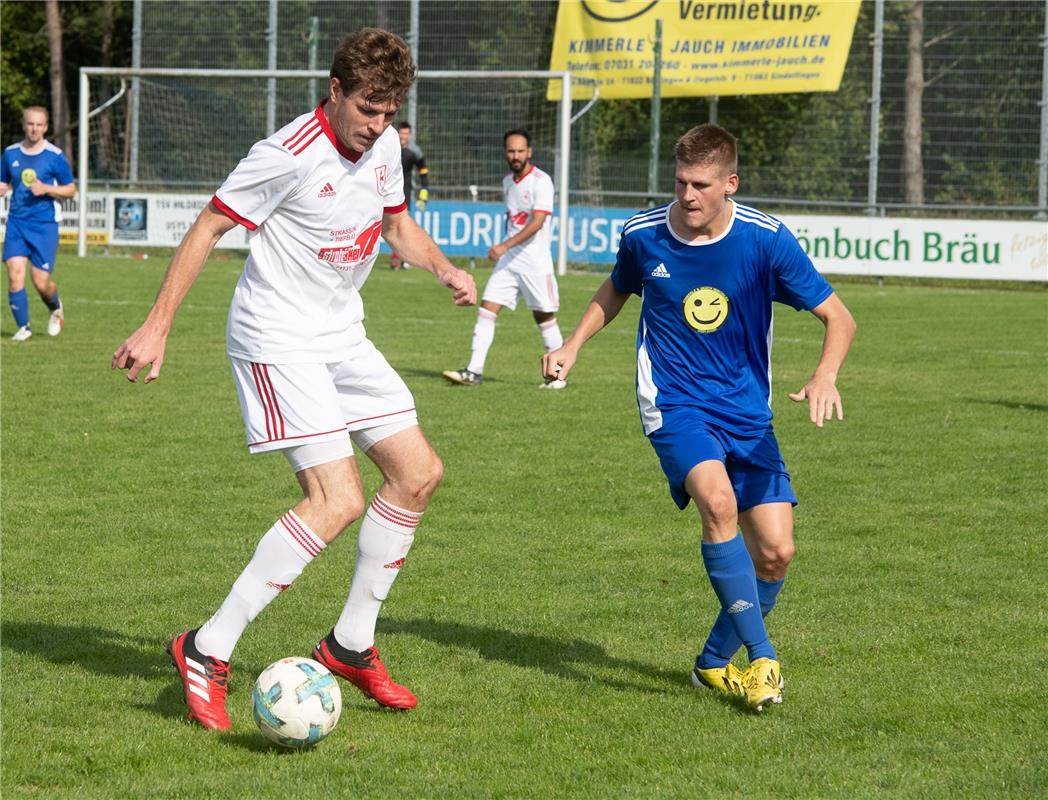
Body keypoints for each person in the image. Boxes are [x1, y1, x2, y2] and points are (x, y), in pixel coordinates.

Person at [112, 28, 476, 731]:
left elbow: (397, 227)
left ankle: (350, 645)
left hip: (342, 337)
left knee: (418, 473)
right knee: (336, 499)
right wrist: (157, 325)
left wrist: (446, 267)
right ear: (334, 91)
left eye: (389, 110)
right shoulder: (284, 155)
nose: (378, 125)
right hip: (277, 338)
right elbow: (207, 228)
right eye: (367, 109)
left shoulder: (388, 147)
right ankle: (206, 648)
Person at [541, 124, 856, 712]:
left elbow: (840, 318)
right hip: (675, 403)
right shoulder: (643, 234)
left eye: (701, 184)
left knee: (776, 553)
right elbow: (616, 288)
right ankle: (763, 659)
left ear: (729, 183)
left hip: (747, 413)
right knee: (716, 503)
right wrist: (573, 344)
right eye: (681, 182)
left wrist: (825, 375)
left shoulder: (765, 239)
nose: (686, 195)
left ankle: (712, 664)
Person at [443, 129, 565, 389]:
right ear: (505, 153)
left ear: (529, 152)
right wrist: (505, 248)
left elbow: (538, 222)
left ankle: (558, 376)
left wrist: (504, 245)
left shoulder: (541, 181)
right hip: (510, 261)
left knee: (543, 317)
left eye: (521, 151)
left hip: (534, 261)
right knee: (487, 309)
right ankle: (474, 371)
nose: (516, 155)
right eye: (511, 151)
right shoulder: (508, 181)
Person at [1, 106, 76, 342]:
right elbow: (4, 182)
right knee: (14, 275)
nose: (34, 129)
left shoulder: (55, 156)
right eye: (30, 124)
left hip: (44, 225)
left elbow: (71, 189)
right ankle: (24, 328)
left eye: (39, 125)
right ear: (24, 125)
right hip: (17, 223)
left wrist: (47, 189)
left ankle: (55, 307)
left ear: (46, 127)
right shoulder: (10, 154)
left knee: (41, 282)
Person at [390, 121, 429, 270]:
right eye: (401, 133)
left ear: (410, 135)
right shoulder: (390, 147)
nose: (403, 136)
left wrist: (423, 193)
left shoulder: (415, 152)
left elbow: (423, 172)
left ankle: (398, 259)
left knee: (399, 225)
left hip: (405, 191)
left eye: (406, 134)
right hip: (386, 189)